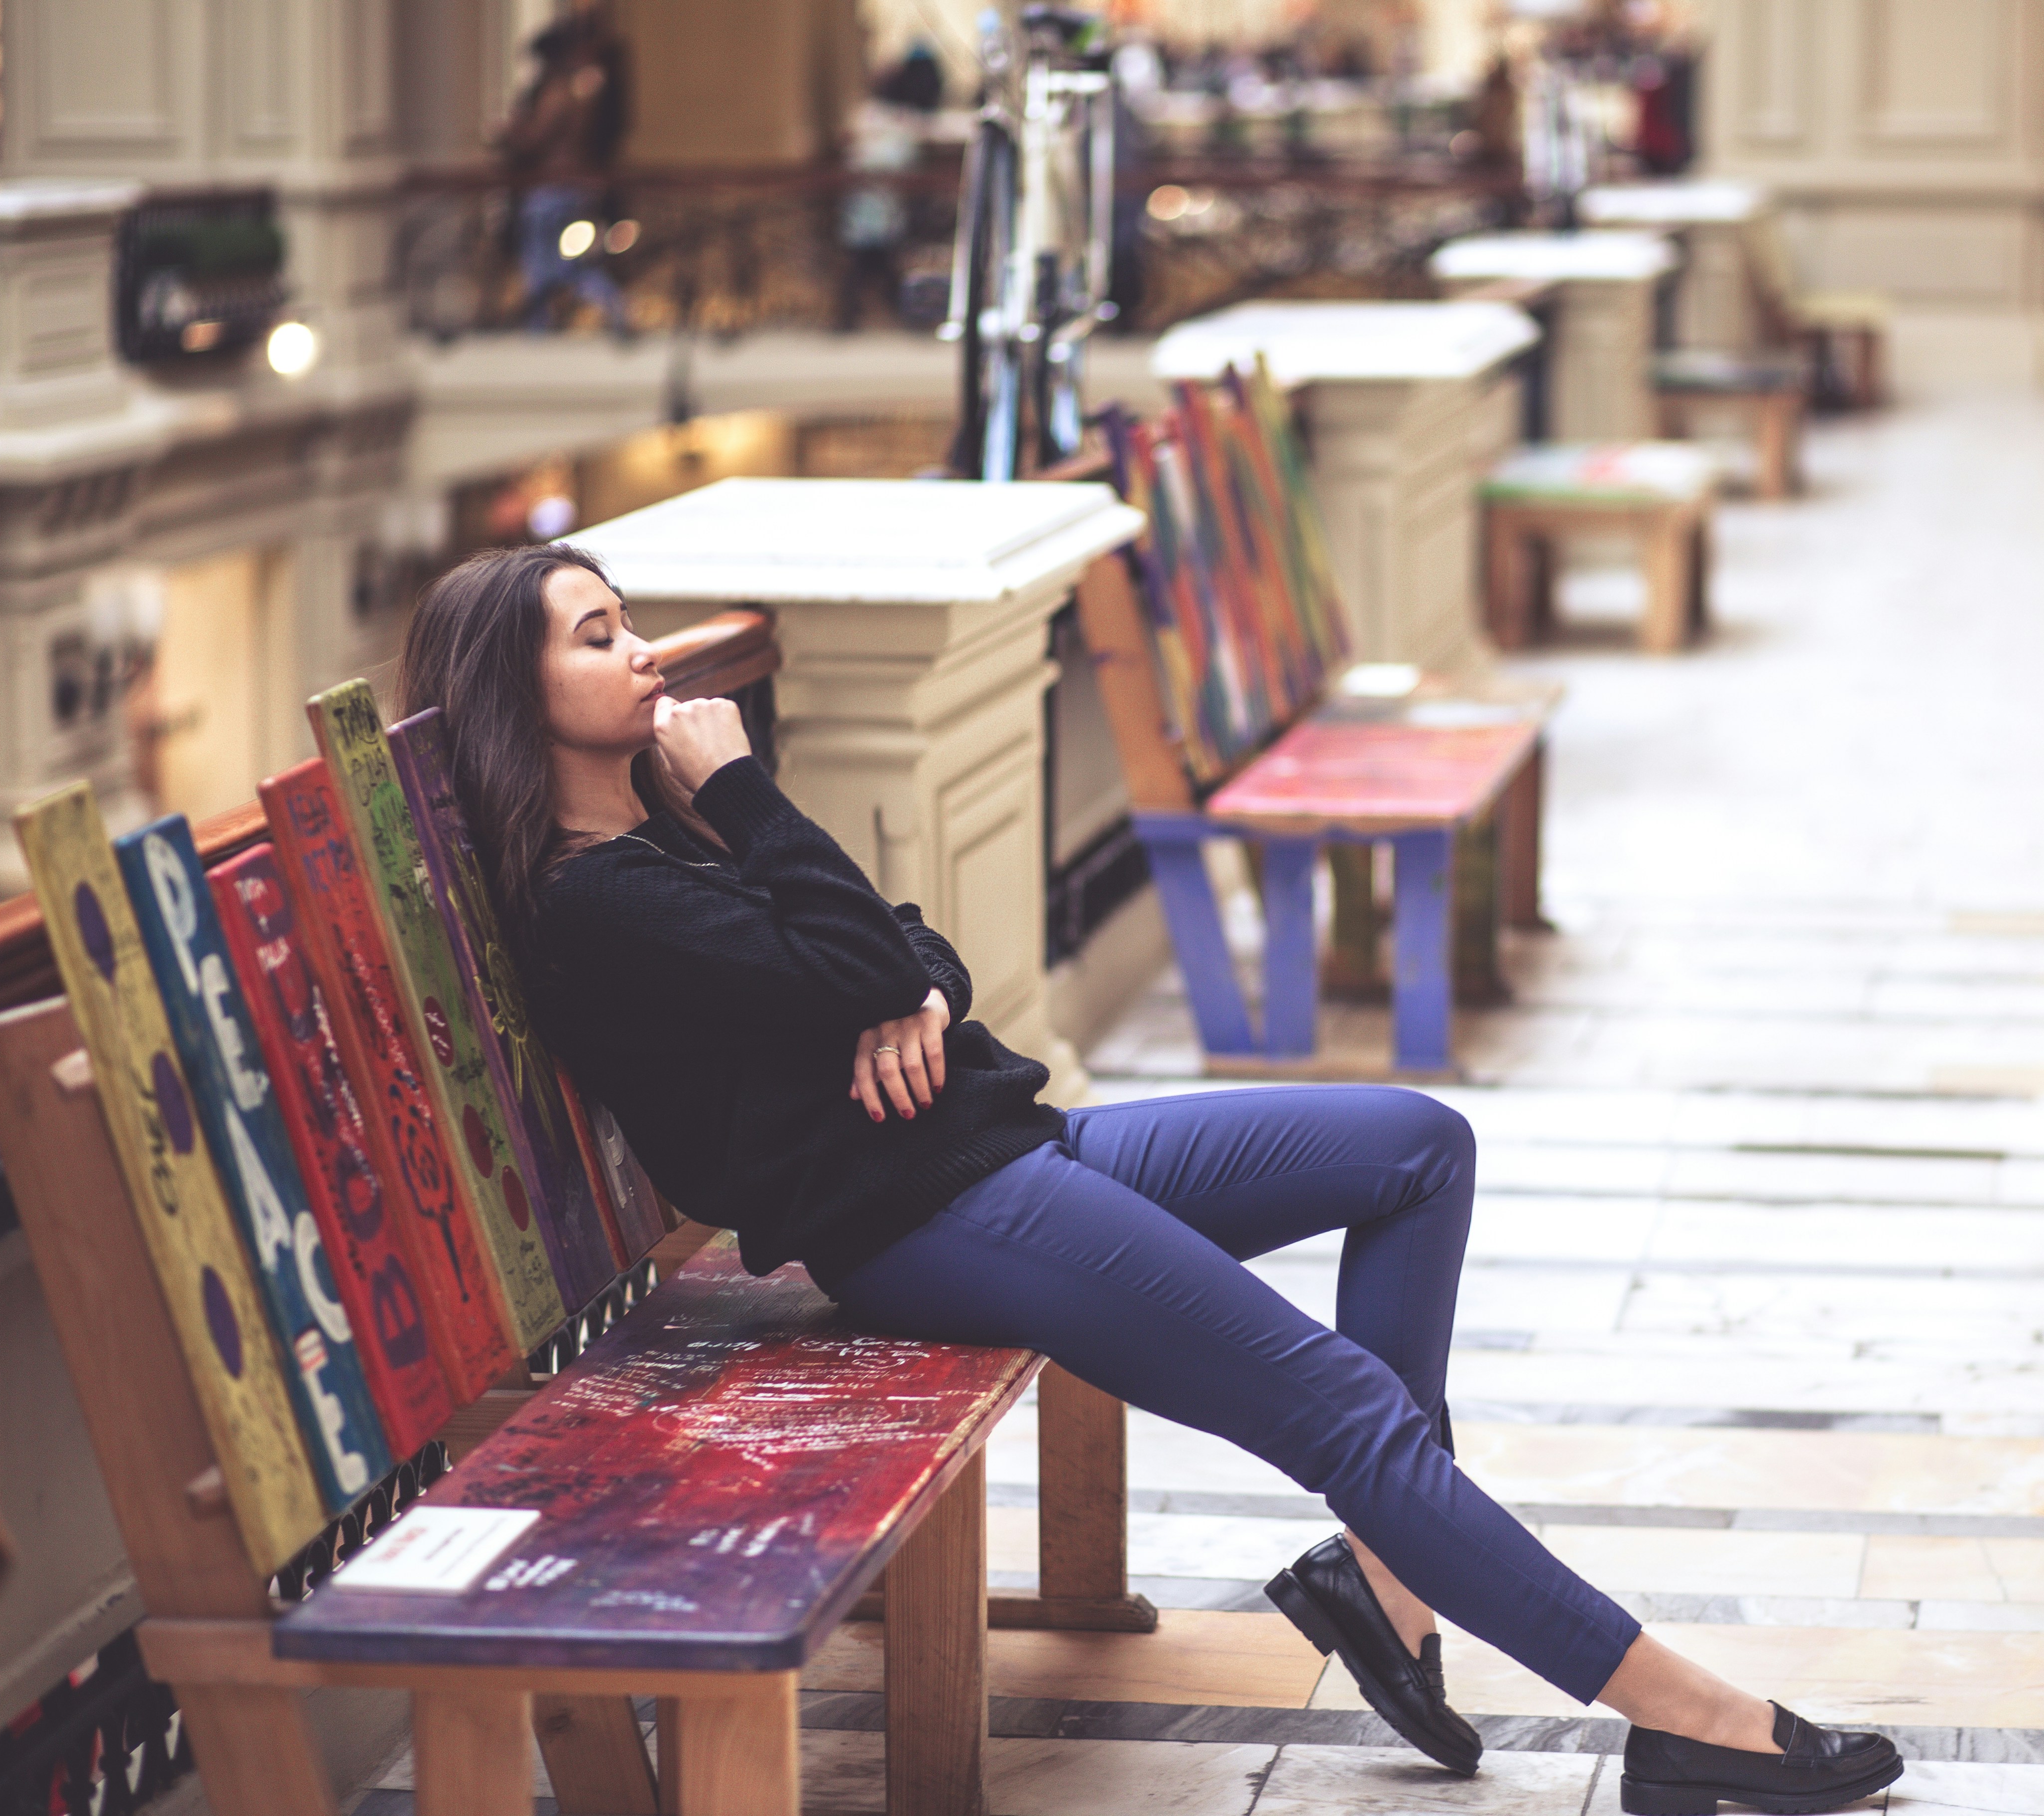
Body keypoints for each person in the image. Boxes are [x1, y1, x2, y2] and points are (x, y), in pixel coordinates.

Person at [400, 544, 1908, 1816]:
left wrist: (907, 998)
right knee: (1346, 1409)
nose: (649, 657)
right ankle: (1681, 1716)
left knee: (1413, 1147)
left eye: (629, 621)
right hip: (935, 1217)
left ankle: (1382, 1580)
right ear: (510, 694)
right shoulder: (601, 899)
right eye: (601, 639)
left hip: (1009, 1146)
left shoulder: (655, 845)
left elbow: (905, 940)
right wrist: (752, 800)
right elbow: (850, 941)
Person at [499, 4, 634, 336]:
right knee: (566, 265)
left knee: (545, 266)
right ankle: (614, 310)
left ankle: (539, 330)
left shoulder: (558, 93)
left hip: (551, 187)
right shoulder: (582, 90)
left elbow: (534, 139)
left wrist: (509, 132)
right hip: (573, 186)